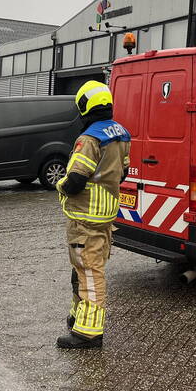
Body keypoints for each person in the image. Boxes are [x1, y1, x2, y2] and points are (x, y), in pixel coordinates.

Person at [54, 81, 131, 349]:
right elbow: (124, 173)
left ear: (85, 106)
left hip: (85, 216)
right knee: (82, 268)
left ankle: (89, 332)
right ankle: (79, 316)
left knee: (88, 270)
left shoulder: (89, 139)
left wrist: (60, 185)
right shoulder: (121, 134)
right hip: (105, 213)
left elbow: (75, 180)